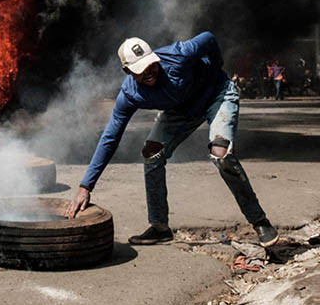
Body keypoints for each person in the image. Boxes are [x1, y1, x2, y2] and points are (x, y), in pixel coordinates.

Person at [67, 32, 279, 247]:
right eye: (141, 69)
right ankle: (160, 227)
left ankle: (260, 222)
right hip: (181, 110)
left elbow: (209, 38)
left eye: (151, 64)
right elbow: (110, 137)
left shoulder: (179, 55)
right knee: (151, 152)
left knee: (220, 153)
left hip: (218, 95)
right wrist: (86, 186)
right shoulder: (129, 95)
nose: (149, 72)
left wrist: (216, 70)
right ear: (128, 71)